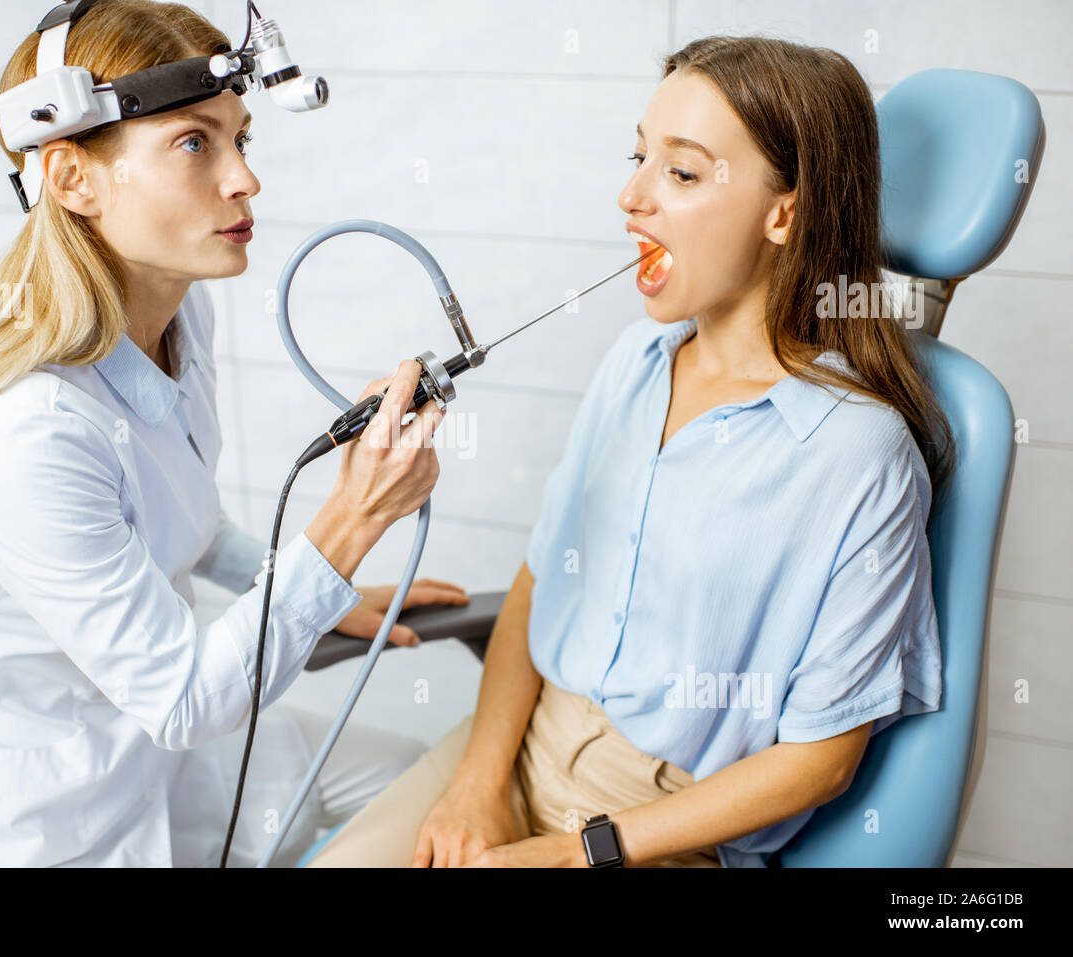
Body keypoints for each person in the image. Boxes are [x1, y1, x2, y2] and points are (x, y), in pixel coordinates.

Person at [308, 35, 957, 868]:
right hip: (514, 754)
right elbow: (539, 586)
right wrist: (476, 780)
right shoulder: (632, 366)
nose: (630, 197)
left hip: (661, 826)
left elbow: (821, 760)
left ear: (784, 212)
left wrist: (582, 852)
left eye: (681, 173)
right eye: (639, 158)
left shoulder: (859, 454)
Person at [0, 0, 467, 867]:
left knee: (415, 788)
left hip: (162, 757)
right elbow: (187, 696)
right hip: (32, 825)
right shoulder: (21, 434)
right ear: (72, 178)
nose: (244, 180)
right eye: (195, 143)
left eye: (242, 139)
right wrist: (346, 530)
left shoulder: (184, 315)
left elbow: (174, 515)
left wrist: (306, 581)